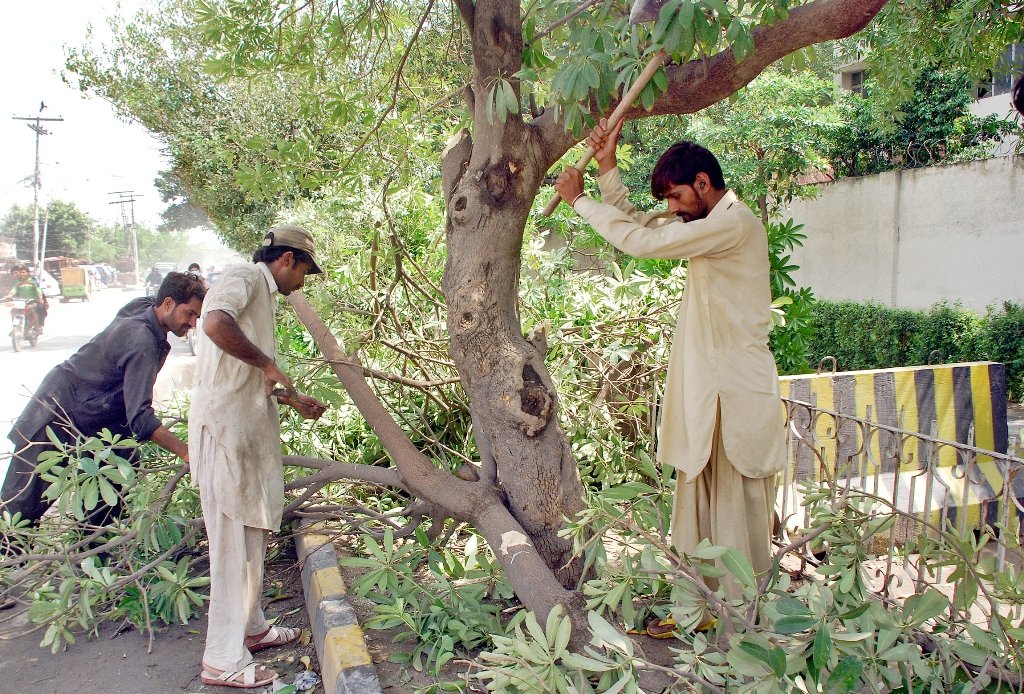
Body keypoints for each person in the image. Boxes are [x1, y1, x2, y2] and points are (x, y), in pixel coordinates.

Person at [554, 120, 787, 610]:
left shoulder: (733, 223)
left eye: (678, 197)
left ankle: (742, 617)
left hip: (737, 390)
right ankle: (701, 607)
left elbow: (644, 244)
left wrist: (579, 201)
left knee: (736, 505)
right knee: (700, 497)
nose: (672, 210)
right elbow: (644, 226)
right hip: (712, 389)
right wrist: (606, 166)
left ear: (703, 184)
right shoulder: (702, 222)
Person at [189, 225, 327, 688]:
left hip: (244, 434)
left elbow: (248, 375)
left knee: (249, 539)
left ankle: (252, 628)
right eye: (305, 268)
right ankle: (221, 659)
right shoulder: (244, 277)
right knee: (230, 545)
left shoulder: (263, 297)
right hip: (225, 436)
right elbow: (214, 324)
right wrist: (268, 364)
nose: (304, 282)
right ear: (287, 259)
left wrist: (291, 396)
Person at [1, 272, 204, 527]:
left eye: (197, 316)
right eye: (190, 313)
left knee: (119, 476)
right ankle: (11, 562)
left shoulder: (143, 308)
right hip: (55, 413)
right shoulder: (142, 342)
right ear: (167, 303)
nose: (193, 323)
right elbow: (141, 418)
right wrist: (186, 452)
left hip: (95, 416)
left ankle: (95, 558)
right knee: (17, 512)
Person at [2, 265, 47, 333]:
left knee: (34, 311)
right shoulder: (19, 282)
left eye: (23, 272)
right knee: (13, 311)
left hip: (32, 301)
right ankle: (16, 327)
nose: (22, 274)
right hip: (22, 302)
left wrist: (40, 298)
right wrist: (9, 295)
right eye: (21, 272)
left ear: (28, 273)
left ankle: (37, 327)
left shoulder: (32, 281)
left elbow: (38, 290)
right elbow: (14, 289)